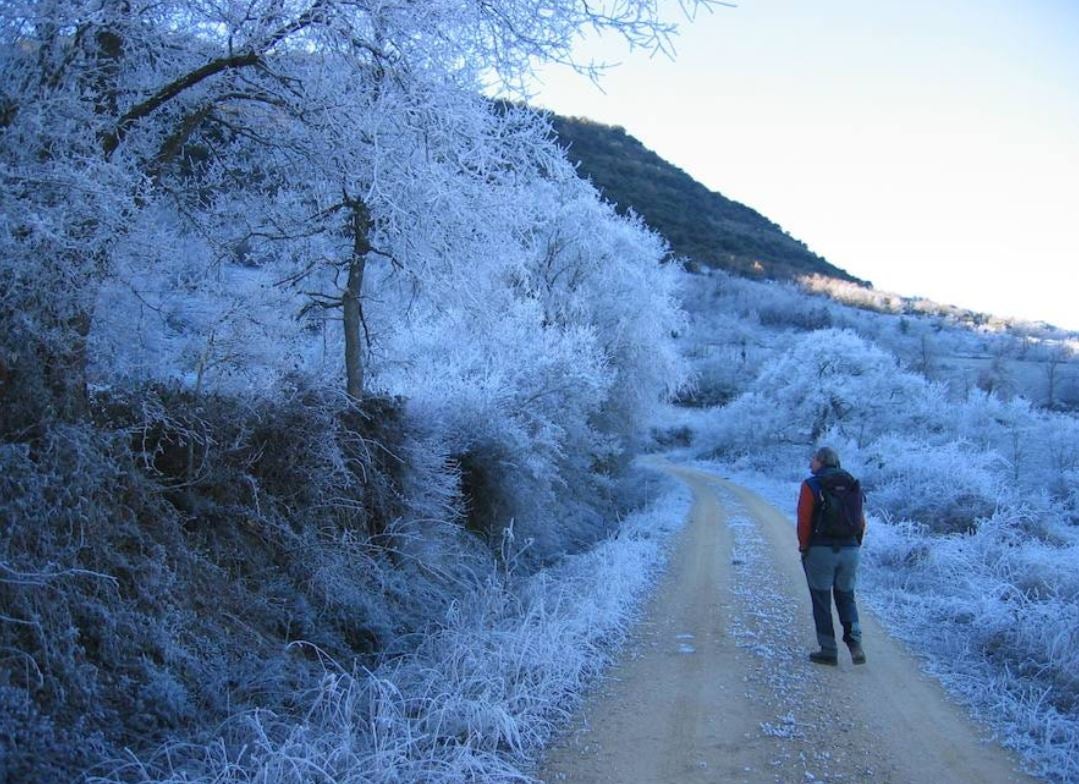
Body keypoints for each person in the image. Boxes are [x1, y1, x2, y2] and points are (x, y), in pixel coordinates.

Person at [797, 446, 867, 666]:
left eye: (813, 460)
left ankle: (828, 650)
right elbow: (860, 520)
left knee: (821, 600)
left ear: (821, 461)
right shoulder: (852, 483)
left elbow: (805, 520)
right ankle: (855, 644)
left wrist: (804, 546)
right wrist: (855, 544)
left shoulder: (812, 485)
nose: (810, 465)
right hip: (851, 550)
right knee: (846, 596)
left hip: (821, 550)